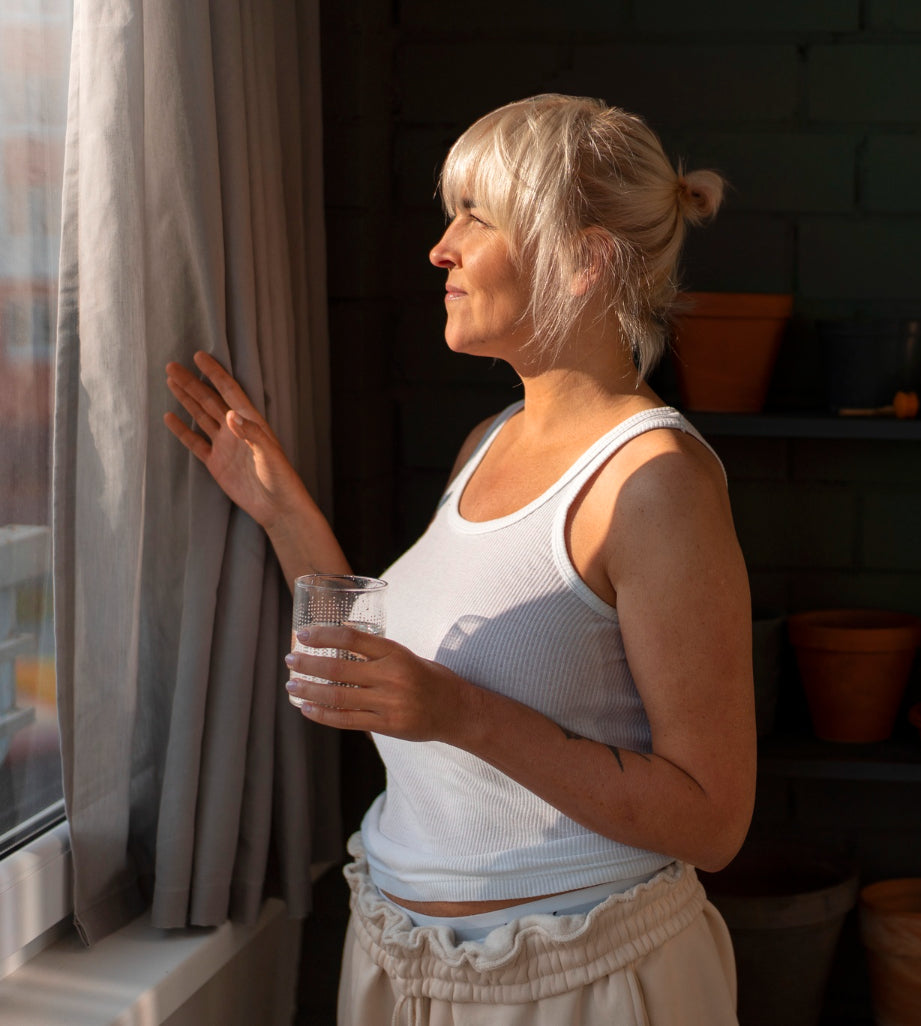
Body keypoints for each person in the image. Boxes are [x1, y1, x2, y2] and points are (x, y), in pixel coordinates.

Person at [163, 93, 755, 1024]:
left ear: (586, 260)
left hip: (580, 988)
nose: (442, 248)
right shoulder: (489, 441)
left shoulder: (656, 483)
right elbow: (402, 680)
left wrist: (461, 713)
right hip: (400, 965)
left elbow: (713, 820)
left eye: (478, 217)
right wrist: (279, 508)